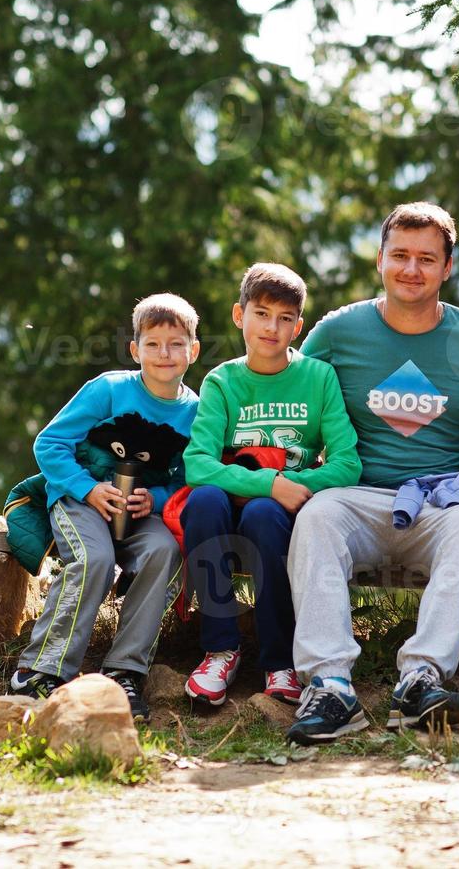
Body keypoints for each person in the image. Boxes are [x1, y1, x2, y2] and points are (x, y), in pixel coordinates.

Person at [283, 202, 459, 745]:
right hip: (357, 494)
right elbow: (296, 401)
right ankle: (331, 685)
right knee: (317, 516)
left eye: (427, 259)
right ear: (380, 259)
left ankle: (421, 678)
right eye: (401, 256)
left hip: (439, 499)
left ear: (447, 268)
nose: (412, 270)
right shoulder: (339, 332)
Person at [8, 293, 201, 722]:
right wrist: (88, 489)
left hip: (142, 512)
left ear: (194, 350)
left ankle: (123, 673)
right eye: (152, 344)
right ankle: (43, 668)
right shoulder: (109, 389)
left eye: (175, 343)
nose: (164, 354)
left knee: (164, 553)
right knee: (94, 558)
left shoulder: (196, 413)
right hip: (81, 500)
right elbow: (50, 444)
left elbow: (189, 478)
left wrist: (159, 499)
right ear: (135, 350)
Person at [179, 263, 361, 708]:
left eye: (284, 319)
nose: (271, 327)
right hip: (227, 504)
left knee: (264, 513)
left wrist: (286, 486)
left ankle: (279, 660)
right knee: (202, 501)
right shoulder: (222, 380)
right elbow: (198, 464)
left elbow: (347, 464)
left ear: (297, 326)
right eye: (261, 314)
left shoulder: (318, 378)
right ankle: (220, 649)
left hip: (277, 512)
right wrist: (268, 481)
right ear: (240, 316)